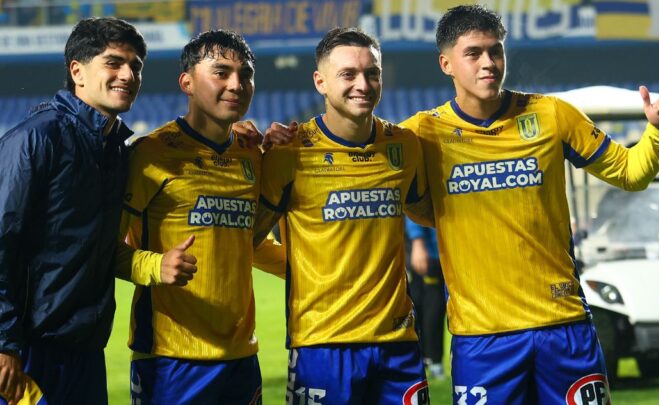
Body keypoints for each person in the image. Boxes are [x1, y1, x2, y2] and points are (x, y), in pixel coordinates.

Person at [399, 5, 659, 403]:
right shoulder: (421, 134)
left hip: (564, 325)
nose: (488, 63)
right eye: (473, 54)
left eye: (495, 51)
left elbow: (630, 173)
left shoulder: (552, 115)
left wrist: (658, 133)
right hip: (483, 338)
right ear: (446, 63)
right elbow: (409, 203)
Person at [0, 17, 156, 405]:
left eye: (136, 66)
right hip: (21, 349)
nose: (128, 75)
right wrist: (3, 344)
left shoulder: (118, 153)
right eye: (114, 63)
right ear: (77, 71)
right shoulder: (32, 141)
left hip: (84, 353)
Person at [252, 27, 434, 405]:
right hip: (322, 345)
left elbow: (433, 213)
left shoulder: (404, 146)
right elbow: (247, 238)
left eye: (372, 73)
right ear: (320, 81)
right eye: (348, 74)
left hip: (398, 343)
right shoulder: (289, 152)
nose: (362, 85)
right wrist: (299, 267)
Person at [119, 29, 284, 405]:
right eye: (221, 72)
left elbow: (249, 242)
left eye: (245, 75)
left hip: (241, 355)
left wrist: (318, 269)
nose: (236, 84)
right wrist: (156, 265)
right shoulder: (150, 154)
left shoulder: (252, 154)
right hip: (171, 358)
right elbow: (102, 249)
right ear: (187, 83)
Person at [404, 217, 446, 380]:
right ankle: (430, 360)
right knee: (428, 306)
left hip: (438, 250)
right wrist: (418, 242)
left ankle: (430, 360)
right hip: (428, 251)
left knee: (432, 305)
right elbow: (414, 210)